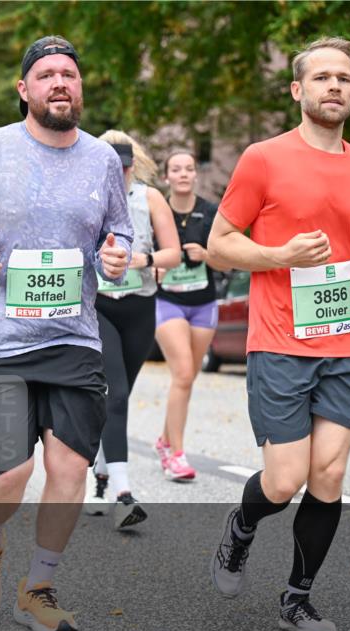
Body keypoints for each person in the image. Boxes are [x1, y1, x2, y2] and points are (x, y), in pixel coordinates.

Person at [0, 35, 132, 631]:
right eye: (45, 75)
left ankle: (38, 586)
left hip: (73, 337)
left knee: (68, 468)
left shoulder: (103, 160)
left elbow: (118, 232)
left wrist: (117, 258)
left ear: (80, 87)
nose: (59, 83)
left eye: (68, 74)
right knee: (9, 476)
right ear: (24, 90)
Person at [206, 37, 350, 631]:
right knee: (285, 479)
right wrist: (278, 254)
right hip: (280, 341)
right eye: (321, 77)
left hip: (345, 344)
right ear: (298, 90)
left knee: (329, 476)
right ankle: (242, 526)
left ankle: (298, 598)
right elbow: (219, 242)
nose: (334, 86)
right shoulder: (263, 159)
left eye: (344, 77)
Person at [87, 130, 180, 527]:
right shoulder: (86, 198)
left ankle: (101, 473)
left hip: (140, 306)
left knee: (118, 398)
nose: (119, 176)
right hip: (99, 306)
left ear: (132, 166)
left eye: (125, 169)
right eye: (112, 169)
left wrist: (142, 259)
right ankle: (123, 493)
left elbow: (173, 253)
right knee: (116, 393)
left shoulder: (150, 198)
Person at [153, 150, 228, 481]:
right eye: (175, 169)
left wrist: (207, 255)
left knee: (187, 377)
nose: (183, 174)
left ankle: (164, 440)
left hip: (203, 303)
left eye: (189, 169)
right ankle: (176, 455)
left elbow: (227, 264)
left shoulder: (210, 213)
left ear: (196, 175)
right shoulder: (157, 211)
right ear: (166, 177)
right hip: (166, 301)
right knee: (183, 372)